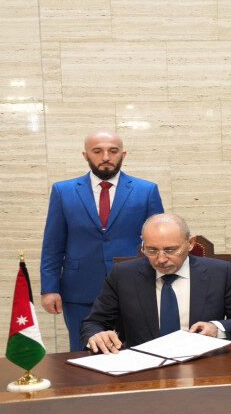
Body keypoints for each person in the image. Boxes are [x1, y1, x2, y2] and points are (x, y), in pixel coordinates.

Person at [40, 130, 164, 351]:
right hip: (80, 290)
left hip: (135, 288)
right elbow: (53, 244)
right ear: (85, 155)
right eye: (97, 151)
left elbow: (160, 240)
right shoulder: (63, 191)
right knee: (83, 353)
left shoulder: (146, 190)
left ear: (123, 154)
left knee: (139, 352)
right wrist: (49, 288)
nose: (106, 157)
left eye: (113, 151)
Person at [81, 213, 231, 353]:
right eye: (152, 250)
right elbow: (93, 323)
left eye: (170, 250)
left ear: (190, 243)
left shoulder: (219, 272)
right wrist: (96, 335)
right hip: (143, 366)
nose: (161, 259)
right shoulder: (123, 275)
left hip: (203, 363)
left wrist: (216, 328)